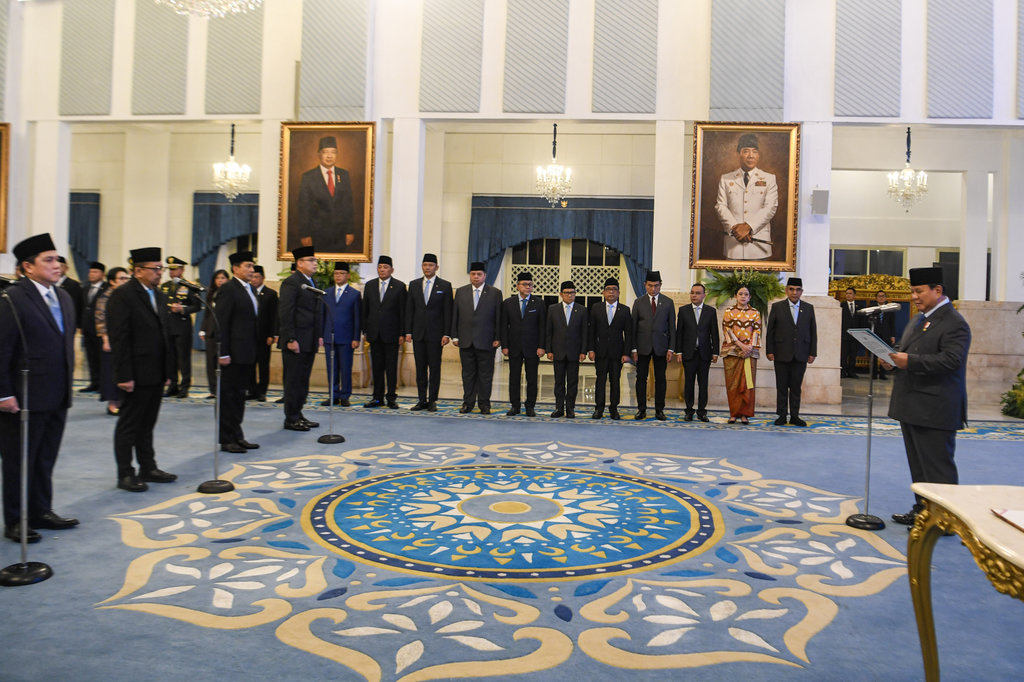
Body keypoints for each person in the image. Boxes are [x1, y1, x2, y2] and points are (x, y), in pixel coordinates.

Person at [0, 234, 78, 542]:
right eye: (48, 260)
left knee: (45, 457)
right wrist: (3, 392)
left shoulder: (64, 297)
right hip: (24, 397)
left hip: (57, 393)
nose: (56, 265)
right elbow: (2, 349)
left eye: (57, 259)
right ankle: (16, 520)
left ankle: (41, 510)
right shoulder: (12, 299)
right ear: (27, 267)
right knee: (20, 460)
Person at [885, 267, 971, 527]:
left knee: (937, 466)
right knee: (919, 465)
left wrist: (909, 361)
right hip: (912, 404)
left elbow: (951, 361)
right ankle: (923, 510)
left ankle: (944, 520)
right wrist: (892, 360)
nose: (914, 297)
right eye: (912, 291)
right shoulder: (919, 319)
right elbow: (907, 350)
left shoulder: (954, 323)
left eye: (919, 291)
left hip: (936, 407)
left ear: (938, 290)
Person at [106, 247, 178, 492]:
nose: (160, 273)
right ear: (138, 271)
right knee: (130, 424)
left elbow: (164, 333)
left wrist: (168, 370)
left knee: (148, 423)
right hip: (135, 372)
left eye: (161, 269)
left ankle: (148, 466)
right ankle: (125, 473)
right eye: (155, 269)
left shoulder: (156, 294)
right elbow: (119, 337)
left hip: (156, 371)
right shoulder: (123, 295)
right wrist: (124, 375)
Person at [215, 251, 261, 453]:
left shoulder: (249, 288)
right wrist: (223, 352)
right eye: (248, 266)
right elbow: (221, 323)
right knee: (228, 396)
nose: (252, 270)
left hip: (246, 352)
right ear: (235, 268)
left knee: (240, 396)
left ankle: (237, 434)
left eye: (252, 266)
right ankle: (227, 439)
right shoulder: (228, 289)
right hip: (232, 354)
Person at [278, 246, 325, 431]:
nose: (315, 264)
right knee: (293, 380)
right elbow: (286, 312)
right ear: (299, 263)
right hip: (296, 341)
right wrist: (290, 338)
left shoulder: (310, 282)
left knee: (303, 380)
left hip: (309, 340)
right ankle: (291, 418)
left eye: (315, 260)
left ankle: (298, 413)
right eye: (311, 260)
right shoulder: (291, 282)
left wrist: (318, 335)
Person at [715, 133, 779, 261]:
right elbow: (720, 206)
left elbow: (771, 207)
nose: (751, 156)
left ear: (758, 155)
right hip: (734, 246)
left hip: (759, 246)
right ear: (738, 153)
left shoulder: (769, 178)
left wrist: (748, 226)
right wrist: (735, 228)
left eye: (754, 152)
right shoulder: (726, 178)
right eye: (746, 151)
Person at [765, 277, 817, 427]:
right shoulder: (777, 307)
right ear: (787, 290)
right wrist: (770, 350)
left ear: (802, 291)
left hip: (801, 354)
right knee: (781, 386)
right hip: (781, 353)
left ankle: (795, 415)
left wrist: (813, 352)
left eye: (798, 290)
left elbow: (813, 331)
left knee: (796, 387)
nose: (795, 292)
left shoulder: (808, 308)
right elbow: (771, 331)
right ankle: (781, 415)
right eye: (791, 289)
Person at [451, 261, 502, 414]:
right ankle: (468, 403)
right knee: (468, 375)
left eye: (479, 274)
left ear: (485, 276)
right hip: (465, 341)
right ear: (470, 276)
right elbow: (455, 315)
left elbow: (499, 317)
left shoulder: (495, 293)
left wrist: (498, 337)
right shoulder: (461, 292)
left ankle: (484, 404)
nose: (476, 277)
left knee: (485, 375)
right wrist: (454, 335)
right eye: (473, 274)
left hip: (487, 341)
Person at [404, 254, 452, 412]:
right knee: (420, 369)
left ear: (436, 267)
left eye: (431, 265)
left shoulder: (444, 286)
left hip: (436, 335)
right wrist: (408, 331)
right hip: (418, 334)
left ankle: (432, 400)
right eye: (425, 265)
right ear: (422, 267)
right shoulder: (414, 285)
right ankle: (421, 399)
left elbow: (447, 312)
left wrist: (446, 333)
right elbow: (409, 310)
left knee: (435, 368)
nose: (427, 268)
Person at [295, 135, 357, 253]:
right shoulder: (308, 177)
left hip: (340, 234)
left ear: (337, 154)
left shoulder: (343, 175)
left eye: (333, 152)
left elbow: (348, 205)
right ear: (319, 154)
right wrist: (305, 234)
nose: (329, 156)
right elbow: (304, 208)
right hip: (316, 234)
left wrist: (350, 231)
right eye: (325, 152)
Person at [362, 255, 406, 409]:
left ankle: (391, 398)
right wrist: (365, 330)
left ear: (391, 270)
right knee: (377, 367)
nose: (382, 270)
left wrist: (402, 333)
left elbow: (403, 312)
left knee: (391, 367)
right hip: (374, 333)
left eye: (385, 267)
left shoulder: (399, 287)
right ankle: (377, 397)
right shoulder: (370, 285)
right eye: (380, 267)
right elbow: (365, 310)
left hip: (392, 334)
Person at [499, 271, 546, 417]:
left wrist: (542, 346)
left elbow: (543, 327)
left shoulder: (539, 303)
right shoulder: (508, 303)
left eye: (530, 284)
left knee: (531, 378)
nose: (528, 287)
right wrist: (504, 345)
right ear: (518, 286)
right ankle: (515, 406)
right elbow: (503, 326)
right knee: (514, 377)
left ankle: (530, 406)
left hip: (532, 347)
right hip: (514, 346)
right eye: (525, 284)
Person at [631, 270, 675, 421]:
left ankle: (659, 410)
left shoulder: (668, 302)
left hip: (661, 347)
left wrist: (671, 348)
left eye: (656, 286)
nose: (653, 289)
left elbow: (671, 328)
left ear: (660, 285)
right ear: (645, 285)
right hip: (642, 347)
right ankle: (641, 409)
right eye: (650, 286)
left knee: (660, 379)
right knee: (641, 378)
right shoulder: (638, 302)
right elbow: (633, 327)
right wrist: (634, 348)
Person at [675, 283, 720, 422]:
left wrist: (715, 352)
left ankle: (702, 411)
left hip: (704, 354)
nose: (694, 295)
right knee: (688, 383)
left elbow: (714, 333)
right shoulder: (683, 310)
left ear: (704, 295)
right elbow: (679, 333)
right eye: (692, 292)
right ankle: (689, 411)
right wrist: (679, 352)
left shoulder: (710, 311)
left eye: (697, 293)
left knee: (703, 384)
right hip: (689, 353)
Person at [588, 277, 631, 420]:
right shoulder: (596, 308)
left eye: (614, 290)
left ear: (618, 293)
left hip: (617, 353)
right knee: (600, 380)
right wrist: (591, 349)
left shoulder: (625, 310)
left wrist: (626, 353)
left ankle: (614, 409)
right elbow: (591, 331)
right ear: (603, 292)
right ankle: (598, 409)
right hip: (600, 352)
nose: (611, 292)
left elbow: (628, 333)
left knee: (615, 381)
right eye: (608, 289)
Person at [160, 256, 201, 398]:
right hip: (168, 326)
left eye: (175, 269)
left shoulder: (189, 285)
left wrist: (183, 309)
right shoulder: (164, 286)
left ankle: (185, 386)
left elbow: (197, 306)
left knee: (183, 358)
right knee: (169, 357)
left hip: (182, 326)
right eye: (170, 270)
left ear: (182, 269)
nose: (172, 272)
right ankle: (172, 385)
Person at [546, 281, 588, 419]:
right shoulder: (553, 309)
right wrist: (549, 350)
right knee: (558, 381)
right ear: (561, 294)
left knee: (572, 381)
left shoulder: (582, 309)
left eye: (572, 293)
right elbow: (549, 331)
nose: (570, 295)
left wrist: (583, 351)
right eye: (567, 293)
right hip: (557, 351)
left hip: (574, 352)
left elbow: (584, 332)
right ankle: (559, 408)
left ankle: (570, 408)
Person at [720, 285, 761, 424]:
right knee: (733, 385)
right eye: (740, 294)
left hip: (749, 353)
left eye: (746, 294)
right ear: (735, 296)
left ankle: (745, 414)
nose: (743, 296)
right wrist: (740, 345)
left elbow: (757, 331)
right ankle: (733, 413)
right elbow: (727, 329)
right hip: (732, 352)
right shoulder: (729, 312)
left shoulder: (755, 312)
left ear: (750, 297)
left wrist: (749, 347)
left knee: (748, 384)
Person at [322, 263, 360, 407]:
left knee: (345, 368)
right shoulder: (326, 293)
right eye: (336, 273)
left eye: (341, 273)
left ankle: (345, 395)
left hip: (346, 338)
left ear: (348, 276)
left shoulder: (354, 294)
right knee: (331, 368)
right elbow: (322, 315)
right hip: (329, 337)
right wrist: (321, 335)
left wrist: (356, 337)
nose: (338, 276)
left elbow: (357, 318)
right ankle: (333, 395)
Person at [95, 267, 131, 416]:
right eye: (121, 279)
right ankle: (112, 403)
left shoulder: (126, 296)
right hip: (110, 340)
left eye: (126, 279)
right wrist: (105, 339)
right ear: (112, 281)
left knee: (124, 371)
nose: (125, 281)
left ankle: (122, 401)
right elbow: (100, 320)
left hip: (125, 340)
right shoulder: (106, 297)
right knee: (110, 372)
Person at [249, 265, 278, 402]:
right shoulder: (247, 292)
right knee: (250, 364)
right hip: (249, 337)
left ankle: (262, 392)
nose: (254, 279)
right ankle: (251, 390)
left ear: (263, 278)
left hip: (264, 336)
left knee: (263, 365)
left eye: (257, 277)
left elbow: (274, 317)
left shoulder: (270, 294)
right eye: (252, 276)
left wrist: (272, 335)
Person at [199, 270, 229, 399]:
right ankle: (213, 390)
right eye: (217, 278)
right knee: (210, 362)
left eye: (223, 278)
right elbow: (207, 314)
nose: (220, 280)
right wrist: (203, 329)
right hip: (211, 331)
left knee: (222, 362)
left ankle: (224, 389)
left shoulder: (231, 293)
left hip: (224, 333)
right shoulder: (211, 294)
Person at [80, 261, 108, 392]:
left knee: (101, 358)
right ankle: (94, 382)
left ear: (102, 274)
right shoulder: (85, 288)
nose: (92, 274)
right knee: (91, 357)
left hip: (101, 330)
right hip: (87, 329)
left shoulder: (107, 288)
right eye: (90, 272)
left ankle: (103, 384)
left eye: (95, 272)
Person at [872, 289, 896, 380]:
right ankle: (873, 374)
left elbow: (892, 323)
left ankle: (882, 374)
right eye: (879, 296)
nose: (881, 298)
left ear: (885, 298)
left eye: (883, 296)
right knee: (874, 355)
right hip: (875, 334)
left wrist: (892, 335)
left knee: (884, 354)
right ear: (876, 298)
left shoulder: (890, 309)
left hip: (886, 334)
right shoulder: (872, 308)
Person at [57, 255, 85, 330]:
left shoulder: (73, 285)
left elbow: (77, 305)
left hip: (68, 322)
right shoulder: (49, 283)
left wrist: (78, 324)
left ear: (66, 268)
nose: (58, 268)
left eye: (61, 266)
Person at [840, 287, 862, 378]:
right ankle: (843, 372)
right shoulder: (841, 305)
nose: (848, 295)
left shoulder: (859, 306)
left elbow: (862, 320)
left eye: (850, 293)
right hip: (845, 334)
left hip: (855, 335)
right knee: (844, 354)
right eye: (847, 293)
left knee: (853, 354)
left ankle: (851, 372)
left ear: (854, 295)